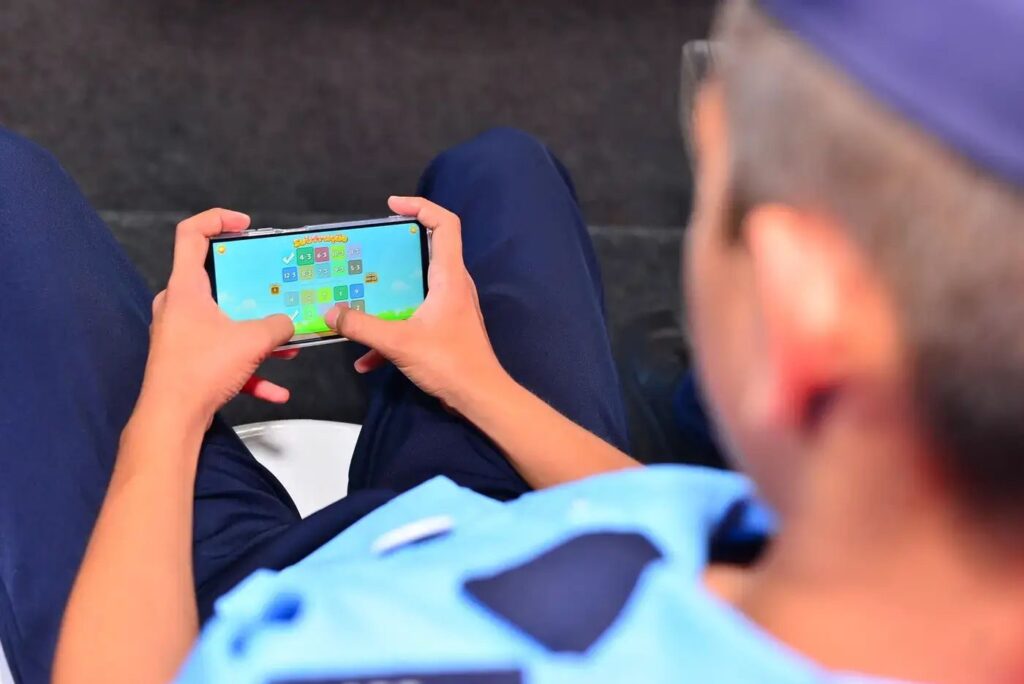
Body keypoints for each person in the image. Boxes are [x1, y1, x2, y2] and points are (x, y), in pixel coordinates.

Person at [0, 0, 1021, 682]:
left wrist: (170, 411)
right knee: (504, 169)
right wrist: (472, 379)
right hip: (486, 524)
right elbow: (669, 510)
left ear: (800, 312)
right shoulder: (843, 546)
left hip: (206, 612)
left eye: (713, 197)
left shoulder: (313, 660)